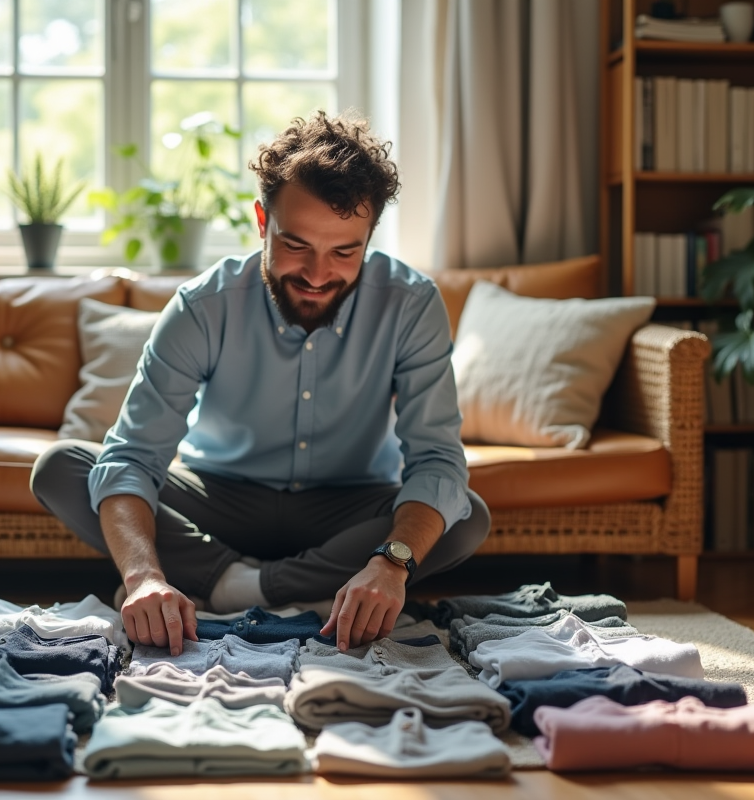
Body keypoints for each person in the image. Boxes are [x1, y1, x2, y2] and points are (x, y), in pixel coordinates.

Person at [32, 110, 489, 657]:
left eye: (344, 252)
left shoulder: (412, 304)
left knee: (463, 516)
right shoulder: (203, 305)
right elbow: (132, 456)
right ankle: (302, 591)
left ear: (369, 238)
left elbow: (437, 461)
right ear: (261, 220)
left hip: (347, 508)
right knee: (62, 467)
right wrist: (143, 577)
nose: (317, 275)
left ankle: (226, 587)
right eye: (296, 245)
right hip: (217, 498)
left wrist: (390, 564)